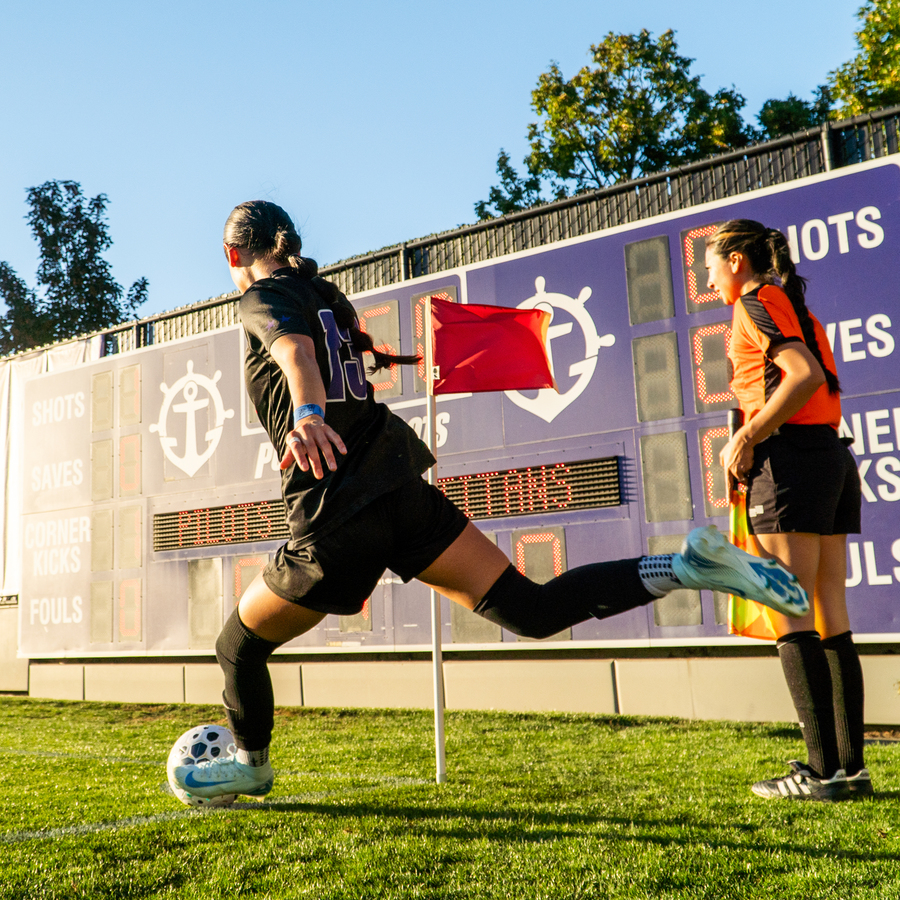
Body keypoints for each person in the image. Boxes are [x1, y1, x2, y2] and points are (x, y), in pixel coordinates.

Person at [172, 201, 807, 802]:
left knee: (239, 646)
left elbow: (293, 351)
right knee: (531, 608)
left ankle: (250, 768)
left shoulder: (263, 296)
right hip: (400, 491)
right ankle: (684, 567)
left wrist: (308, 413)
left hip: (337, 509)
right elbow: (334, 354)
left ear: (233, 254)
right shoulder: (324, 296)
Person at [706, 219, 869, 802]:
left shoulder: (755, 302)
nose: (708, 276)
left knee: (791, 611)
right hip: (829, 458)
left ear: (736, 261)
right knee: (831, 614)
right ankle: (849, 768)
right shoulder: (794, 305)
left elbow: (798, 376)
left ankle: (820, 772)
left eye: (711, 264)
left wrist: (746, 436)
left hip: (792, 463)